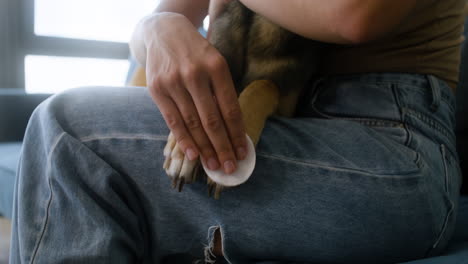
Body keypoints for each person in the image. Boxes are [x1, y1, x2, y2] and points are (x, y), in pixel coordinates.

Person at [9, 0, 465, 263]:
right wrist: (159, 28)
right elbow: (164, 18)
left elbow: (356, 13)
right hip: (291, 126)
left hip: (394, 142)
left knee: (70, 133)